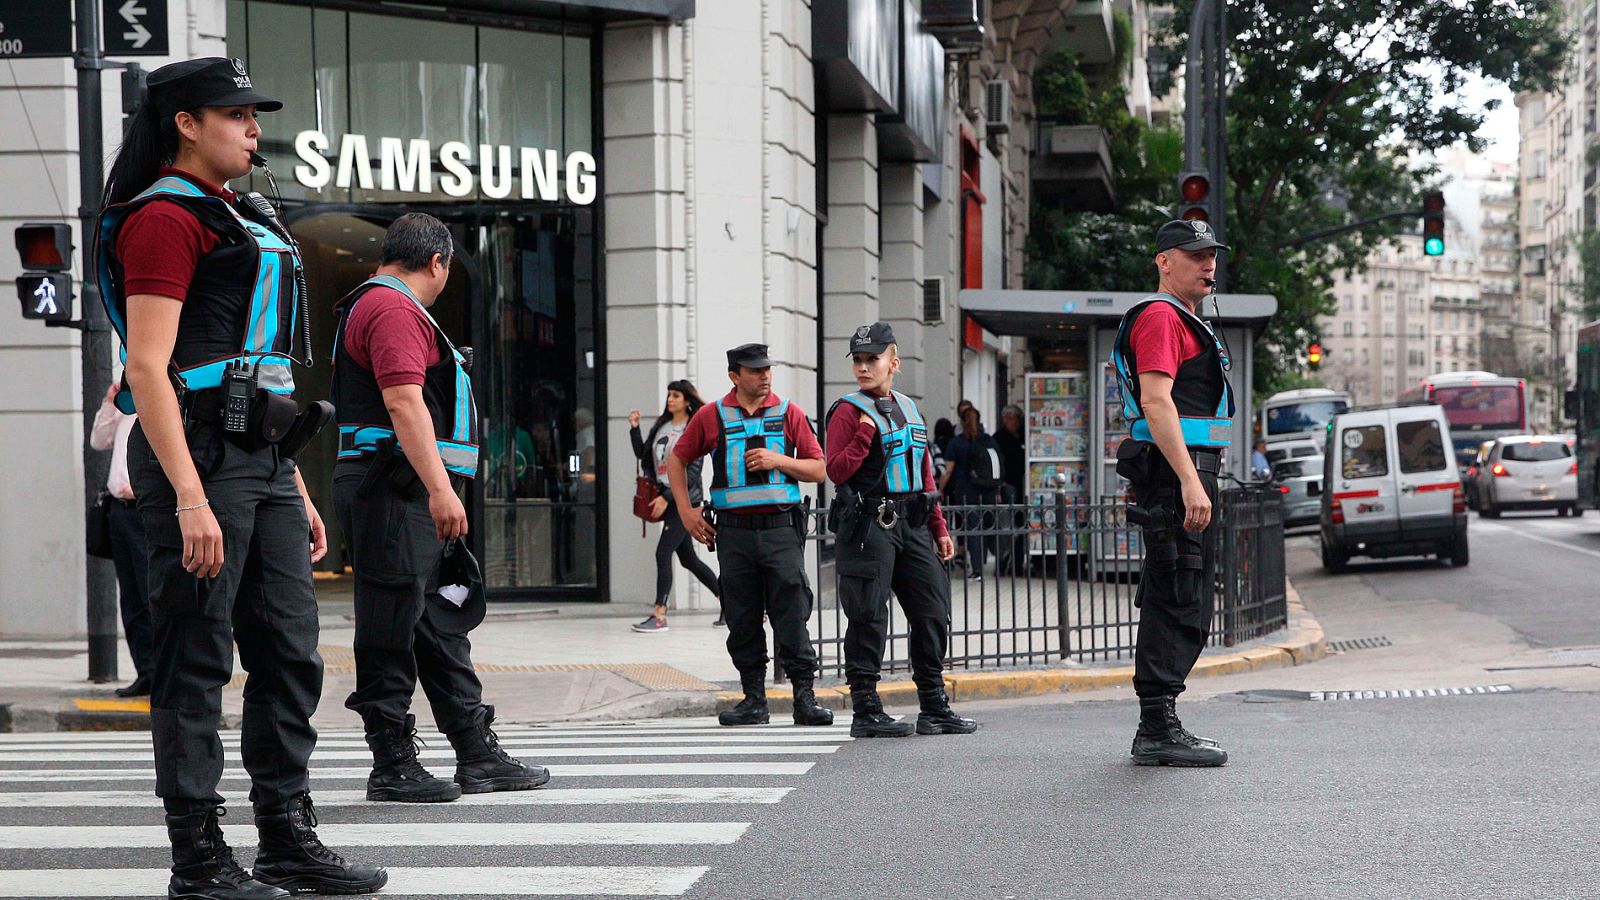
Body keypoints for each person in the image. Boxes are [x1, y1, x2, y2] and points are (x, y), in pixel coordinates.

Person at [98, 57, 385, 898]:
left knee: (291, 653)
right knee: (194, 658)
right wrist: (189, 494)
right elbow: (148, 368)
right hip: (197, 460)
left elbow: (259, 371)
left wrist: (289, 481)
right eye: (237, 114)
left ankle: (288, 840)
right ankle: (199, 858)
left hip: (260, 461)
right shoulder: (163, 217)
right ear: (186, 123)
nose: (254, 127)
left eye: (255, 114)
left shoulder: (243, 212)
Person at [331, 213, 549, 804]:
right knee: (390, 628)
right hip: (394, 492)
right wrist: (440, 489)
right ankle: (392, 763)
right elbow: (404, 404)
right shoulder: (394, 310)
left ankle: (476, 754)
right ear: (437, 263)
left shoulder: (382, 306)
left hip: (398, 490)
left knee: (438, 626)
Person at [1108, 218, 1237, 768]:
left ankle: (1161, 722)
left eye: (1211, 255)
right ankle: (1157, 728)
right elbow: (1158, 403)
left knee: (1182, 589)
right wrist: (1188, 480)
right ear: (1164, 261)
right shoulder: (1162, 316)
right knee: (1176, 593)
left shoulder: (1186, 319)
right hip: (1176, 471)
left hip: (1183, 468)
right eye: (1194, 255)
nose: (1208, 264)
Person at [667, 343, 833, 727]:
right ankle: (753, 701)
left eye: (767, 369)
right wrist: (687, 512)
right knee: (741, 615)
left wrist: (779, 461)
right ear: (734, 376)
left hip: (780, 530)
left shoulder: (789, 411)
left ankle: (804, 699)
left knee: (791, 612)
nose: (765, 376)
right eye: (755, 370)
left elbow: (818, 469)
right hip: (734, 534)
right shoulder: (713, 415)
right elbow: (677, 458)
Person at [825, 322, 977, 738]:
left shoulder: (910, 408)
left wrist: (939, 527)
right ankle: (866, 709)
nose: (862, 367)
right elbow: (835, 470)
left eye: (871, 359)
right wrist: (862, 436)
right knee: (869, 616)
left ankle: (934, 705)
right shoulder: (847, 410)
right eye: (857, 360)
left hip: (911, 521)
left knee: (932, 612)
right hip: (868, 524)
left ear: (893, 362)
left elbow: (925, 473)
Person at [629, 381, 723, 632]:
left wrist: (667, 497)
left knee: (663, 553)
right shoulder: (662, 426)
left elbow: (691, 473)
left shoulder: (693, 428)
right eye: (669, 395)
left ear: (687, 400)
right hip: (665, 495)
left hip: (685, 501)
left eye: (676, 395)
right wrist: (635, 430)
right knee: (689, 560)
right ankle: (732, 603)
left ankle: (659, 614)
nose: (670, 399)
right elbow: (644, 455)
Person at [90, 380, 155, 698]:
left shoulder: (157, 406)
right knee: (130, 597)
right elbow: (98, 441)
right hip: (119, 511)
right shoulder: (124, 409)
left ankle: (161, 672)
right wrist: (109, 401)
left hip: (145, 509)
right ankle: (145, 671)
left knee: (148, 594)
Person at [940, 406, 1001, 579]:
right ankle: (989, 562)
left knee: (973, 530)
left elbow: (948, 470)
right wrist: (997, 490)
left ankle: (977, 570)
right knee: (987, 528)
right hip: (989, 491)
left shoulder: (957, 443)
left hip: (967, 492)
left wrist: (940, 489)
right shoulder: (988, 440)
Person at [993, 403, 1028, 573]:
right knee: (1006, 527)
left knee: (1022, 525)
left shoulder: (1023, 435)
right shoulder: (999, 437)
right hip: (1008, 485)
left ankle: (1018, 562)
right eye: (1008, 418)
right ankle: (1003, 562)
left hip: (1023, 485)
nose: (1011, 421)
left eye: (1013, 418)